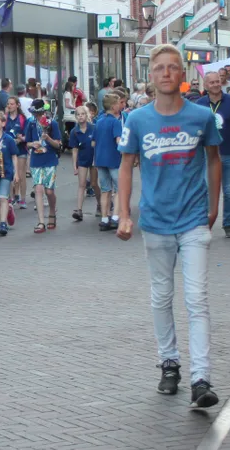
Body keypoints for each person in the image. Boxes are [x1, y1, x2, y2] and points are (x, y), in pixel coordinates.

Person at [116, 43, 221, 409]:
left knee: (196, 299)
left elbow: (214, 159)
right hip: (156, 222)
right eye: (159, 67)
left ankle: (201, 378)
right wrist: (124, 214)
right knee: (161, 297)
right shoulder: (137, 119)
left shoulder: (201, 117)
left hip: (193, 219)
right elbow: (125, 165)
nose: (165, 73)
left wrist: (214, 206)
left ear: (183, 74)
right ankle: (169, 363)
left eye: (172, 67)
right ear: (151, 75)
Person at [196, 71, 230, 239]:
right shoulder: (199, 104)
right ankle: (205, 223)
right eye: (212, 82)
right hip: (207, 154)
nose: (216, 85)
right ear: (206, 85)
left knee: (228, 191)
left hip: (229, 152)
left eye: (217, 81)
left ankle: (228, 224)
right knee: (206, 190)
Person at [25, 100, 62, 233]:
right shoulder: (31, 123)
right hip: (36, 159)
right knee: (38, 189)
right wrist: (32, 144)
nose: (37, 115)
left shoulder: (52, 123)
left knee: (49, 191)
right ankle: (41, 221)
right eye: (35, 113)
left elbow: (58, 144)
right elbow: (26, 142)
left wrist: (48, 139)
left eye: (39, 113)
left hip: (50, 159)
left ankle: (52, 210)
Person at [93, 92, 125, 231]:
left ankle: (104, 218)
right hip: (113, 159)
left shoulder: (99, 121)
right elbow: (118, 141)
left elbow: (93, 142)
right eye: (118, 103)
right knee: (119, 189)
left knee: (105, 190)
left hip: (100, 159)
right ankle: (115, 217)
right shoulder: (115, 122)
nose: (120, 106)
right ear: (113, 106)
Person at [70, 105, 95, 222]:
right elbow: (74, 150)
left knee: (94, 183)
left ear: (86, 115)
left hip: (94, 159)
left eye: (82, 114)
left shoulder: (93, 128)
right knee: (82, 184)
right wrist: (74, 165)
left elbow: (97, 145)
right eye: (78, 114)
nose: (80, 116)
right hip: (82, 160)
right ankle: (79, 210)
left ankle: (101, 205)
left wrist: (96, 159)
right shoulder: (74, 132)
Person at [5, 97, 29, 209]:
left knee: (21, 174)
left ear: (17, 105)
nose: (9, 106)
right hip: (8, 149)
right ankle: (11, 197)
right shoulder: (5, 118)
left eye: (12, 104)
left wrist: (20, 139)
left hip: (20, 149)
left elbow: (27, 135)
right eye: (8, 104)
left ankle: (22, 199)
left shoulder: (22, 118)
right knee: (9, 174)